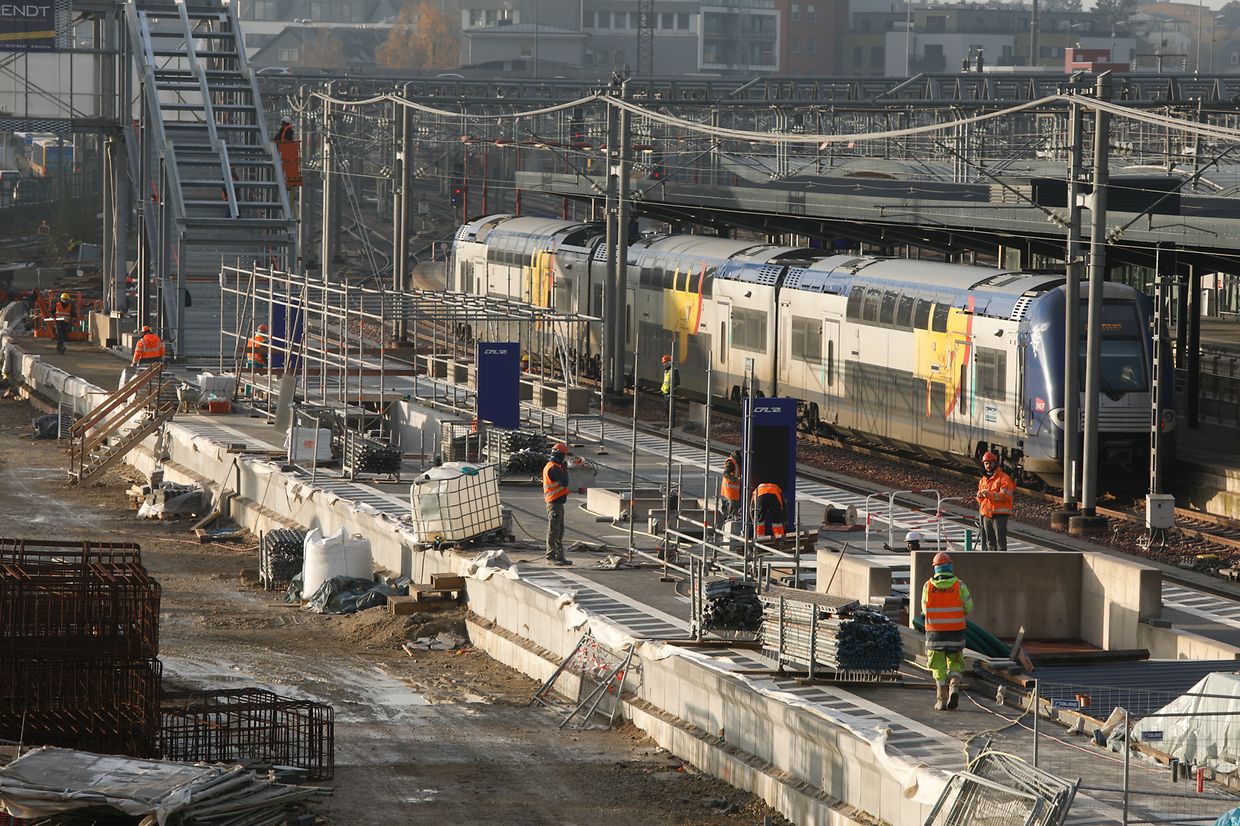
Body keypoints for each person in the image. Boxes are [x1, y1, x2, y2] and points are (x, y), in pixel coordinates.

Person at [921, 551, 973, 711]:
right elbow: (968, 607)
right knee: (956, 662)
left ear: (935, 568)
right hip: (956, 633)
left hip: (935, 634)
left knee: (938, 666)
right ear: (950, 567)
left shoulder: (928, 586)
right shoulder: (960, 585)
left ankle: (941, 699)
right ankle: (954, 689)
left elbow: (924, 609)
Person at [976, 451, 1014, 551]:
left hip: (999, 515)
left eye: (990, 463)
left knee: (1000, 542)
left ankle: (1001, 564)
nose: (988, 466)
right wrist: (979, 496)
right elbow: (980, 499)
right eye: (986, 463)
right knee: (990, 542)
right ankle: (992, 564)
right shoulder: (983, 480)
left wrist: (988, 494)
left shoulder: (1004, 479)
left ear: (995, 463)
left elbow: (1004, 496)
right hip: (986, 515)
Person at [542, 442, 572, 566]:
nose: (565, 458)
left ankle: (560, 556)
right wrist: (565, 470)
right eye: (564, 456)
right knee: (553, 530)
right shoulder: (553, 468)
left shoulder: (553, 466)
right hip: (554, 503)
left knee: (559, 531)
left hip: (558, 503)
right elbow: (564, 482)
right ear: (560, 455)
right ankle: (550, 556)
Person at [720, 450, 742, 521]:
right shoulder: (731, 462)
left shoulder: (738, 462)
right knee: (732, 507)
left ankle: (733, 517)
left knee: (734, 507)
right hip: (730, 490)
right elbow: (726, 473)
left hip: (735, 490)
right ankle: (730, 519)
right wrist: (735, 480)